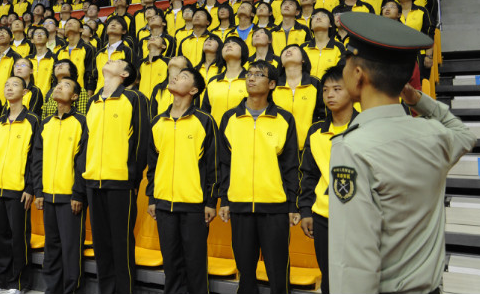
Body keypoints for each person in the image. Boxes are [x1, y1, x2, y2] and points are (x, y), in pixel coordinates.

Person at [329, 12, 476, 293]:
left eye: (348, 61)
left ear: (358, 76)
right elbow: (464, 134)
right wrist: (418, 99)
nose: (345, 67)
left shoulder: (352, 149)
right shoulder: (434, 134)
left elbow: (353, 263)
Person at [218, 60, 299, 294]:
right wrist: (225, 199)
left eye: (259, 75)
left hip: (274, 206)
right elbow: (225, 163)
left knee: (277, 271)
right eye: (249, 74)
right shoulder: (230, 118)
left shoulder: (284, 119)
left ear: (272, 84)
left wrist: (292, 204)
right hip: (240, 204)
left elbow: (290, 165)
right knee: (245, 272)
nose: (251, 78)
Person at [147, 67, 217, 294]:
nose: (176, 77)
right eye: (175, 75)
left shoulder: (204, 120)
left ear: (194, 90)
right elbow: (153, 166)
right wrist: (152, 198)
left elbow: (214, 165)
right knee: (171, 266)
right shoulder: (158, 121)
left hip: (194, 205)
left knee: (195, 266)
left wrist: (210, 201)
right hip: (164, 203)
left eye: (184, 77)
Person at [82, 59, 149, 294]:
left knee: (121, 243)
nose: (111, 59)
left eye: (118, 60)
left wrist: (132, 178)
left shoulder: (134, 98)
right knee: (101, 244)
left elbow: (141, 142)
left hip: (121, 182)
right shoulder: (92, 101)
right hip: (93, 180)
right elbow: (85, 144)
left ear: (124, 74)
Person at [299, 65, 356, 294]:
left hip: (358, 218)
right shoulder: (316, 131)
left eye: (336, 89)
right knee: (330, 279)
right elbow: (309, 175)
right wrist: (305, 211)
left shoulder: (368, 128)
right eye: (325, 90)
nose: (329, 95)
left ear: (352, 91)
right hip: (323, 216)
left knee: (356, 279)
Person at [0, 76, 39, 294]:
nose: (9, 88)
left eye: (15, 85)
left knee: (18, 239)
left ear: (25, 92)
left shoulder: (32, 120)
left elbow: (35, 158)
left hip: (19, 189)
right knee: (1, 238)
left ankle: (19, 283)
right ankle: (1, 281)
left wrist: (30, 188)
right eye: (6, 85)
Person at [32, 77, 87, 294]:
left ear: (74, 97)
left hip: (70, 197)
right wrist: (38, 191)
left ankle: (71, 290)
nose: (58, 86)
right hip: (48, 195)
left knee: (71, 249)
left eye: (65, 86)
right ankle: (52, 289)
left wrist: (78, 193)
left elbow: (82, 161)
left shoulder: (82, 121)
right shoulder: (46, 123)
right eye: (58, 84)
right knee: (51, 248)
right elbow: (38, 160)